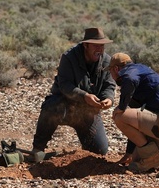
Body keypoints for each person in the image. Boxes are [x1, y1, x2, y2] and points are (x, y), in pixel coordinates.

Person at [31, 27, 116, 156]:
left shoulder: (106, 61)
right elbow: (64, 85)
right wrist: (84, 96)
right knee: (51, 106)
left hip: (88, 112)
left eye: (102, 46)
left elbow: (109, 86)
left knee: (100, 152)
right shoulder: (69, 57)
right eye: (95, 46)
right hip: (64, 106)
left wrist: (108, 99)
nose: (100, 49)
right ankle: (38, 149)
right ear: (86, 45)